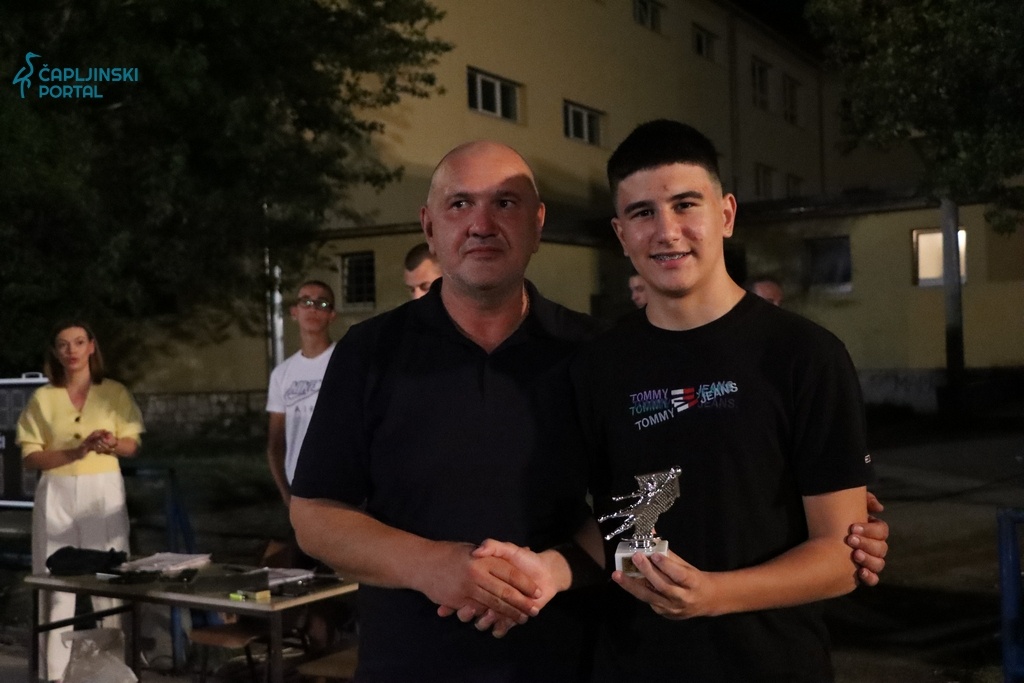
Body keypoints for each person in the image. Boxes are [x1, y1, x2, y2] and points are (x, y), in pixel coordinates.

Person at [289, 140, 889, 682]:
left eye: (505, 203)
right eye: (460, 204)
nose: (481, 224)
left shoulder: (591, 353)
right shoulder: (371, 353)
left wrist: (829, 517)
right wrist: (438, 566)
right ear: (429, 224)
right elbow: (314, 517)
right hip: (413, 661)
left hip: (574, 658)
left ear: (537, 223)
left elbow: (655, 492)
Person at [573, 119, 874, 681]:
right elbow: (597, 520)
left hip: (773, 665)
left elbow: (841, 558)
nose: (667, 231)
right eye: (642, 213)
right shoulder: (597, 366)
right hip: (634, 664)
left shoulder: (805, 355)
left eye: (686, 205)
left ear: (726, 214)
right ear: (620, 234)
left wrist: (713, 595)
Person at [16, 321, 144, 681]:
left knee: (110, 578)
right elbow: (30, 456)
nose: (71, 350)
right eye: (63, 344)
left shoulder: (113, 392)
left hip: (102, 489)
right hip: (57, 490)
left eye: (78, 342)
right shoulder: (43, 398)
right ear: (56, 353)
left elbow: (131, 444)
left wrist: (110, 443)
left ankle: (115, 670)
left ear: (91, 346)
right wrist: (75, 451)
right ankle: (54, 674)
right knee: (56, 584)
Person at [266, 280, 337, 507]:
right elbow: (275, 443)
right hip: (300, 490)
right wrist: (286, 496)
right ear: (294, 312)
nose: (312, 308)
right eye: (305, 302)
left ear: (332, 315)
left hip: (341, 488)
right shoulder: (281, 374)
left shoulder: (346, 363)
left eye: (321, 303)